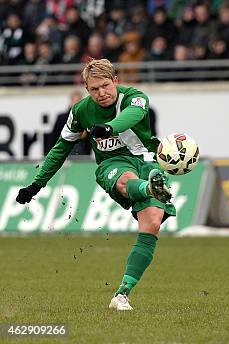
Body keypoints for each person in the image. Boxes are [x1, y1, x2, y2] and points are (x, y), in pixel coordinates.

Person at [15, 59, 175, 311]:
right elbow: (60, 148)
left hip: (147, 161)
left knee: (152, 223)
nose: (101, 93)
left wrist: (109, 127)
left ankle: (122, 294)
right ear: (86, 89)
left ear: (116, 81)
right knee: (126, 180)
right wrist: (36, 184)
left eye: (105, 86)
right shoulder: (80, 111)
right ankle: (148, 188)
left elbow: (133, 116)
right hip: (112, 164)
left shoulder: (135, 98)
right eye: (94, 89)